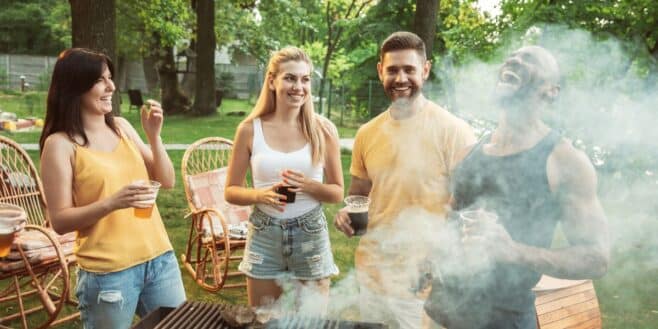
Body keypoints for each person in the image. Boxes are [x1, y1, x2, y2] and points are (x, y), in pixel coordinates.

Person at [424, 45, 610, 329]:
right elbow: (450, 216)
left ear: (551, 91)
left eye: (530, 59)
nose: (514, 59)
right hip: (438, 315)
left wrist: (513, 251)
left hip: (504, 321)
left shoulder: (564, 161)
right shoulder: (469, 153)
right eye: (512, 57)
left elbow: (596, 258)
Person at [333, 31, 475, 329]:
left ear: (425, 70)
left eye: (409, 69)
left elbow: (469, 209)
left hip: (422, 283)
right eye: (393, 69)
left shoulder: (454, 132)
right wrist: (347, 214)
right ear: (380, 71)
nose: (400, 79)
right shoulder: (367, 133)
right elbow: (360, 193)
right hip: (372, 275)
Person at [39, 48, 185, 328]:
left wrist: (155, 136)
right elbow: (59, 221)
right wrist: (112, 202)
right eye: (100, 80)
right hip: (108, 274)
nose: (111, 87)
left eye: (110, 78)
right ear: (75, 86)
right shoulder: (60, 145)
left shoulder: (121, 126)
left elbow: (166, 181)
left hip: (160, 259)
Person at [224, 47, 343, 313]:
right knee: (264, 319)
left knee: (311, 321)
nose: (299, 86)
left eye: (305, 79)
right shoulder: (249, 130)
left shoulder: (323, 130)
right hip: (264, 234)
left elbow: (337, 192)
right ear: (272, 81)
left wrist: (310, 186)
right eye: (290, 78)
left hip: (310, 233)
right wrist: (260, 195)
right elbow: (231, 191)